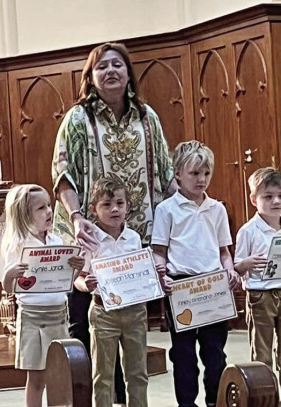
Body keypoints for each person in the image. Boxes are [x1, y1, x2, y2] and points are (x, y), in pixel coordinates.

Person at [52, 42, 174, 402]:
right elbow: (63, 172)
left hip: (137, 239)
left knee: (133, 329)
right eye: (101, 66)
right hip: (91, 236)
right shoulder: (78, 118)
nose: (110, 71)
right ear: (90, 76)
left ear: (128, 73)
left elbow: (165, 173)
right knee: (90, 328)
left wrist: (169, 230)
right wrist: (76, 217)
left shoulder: (147, 117)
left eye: (117, 65)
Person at [151, 141, 239, 407]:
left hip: (213, 286)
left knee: (215, 352)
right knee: (184, 352)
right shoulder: (166, 209)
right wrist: (162, 275)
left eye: (206, 173)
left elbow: (223, 251)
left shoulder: (217, 209)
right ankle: (187, 403)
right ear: (177, 173)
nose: (202, 180)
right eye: (194, 173)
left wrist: (230, 269)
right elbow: (159, 251)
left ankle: (215, 400)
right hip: (181, 287)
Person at [1, 184, 85, 407]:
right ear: (24, 215)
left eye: (49, 205)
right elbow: (9, 288)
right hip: (33, 317)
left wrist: (77, 267)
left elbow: (65, 283)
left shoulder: (56, 242)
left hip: (58, 314)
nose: (49, 211)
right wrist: (9, 274)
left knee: (60, 374)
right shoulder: (17, 246)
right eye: (41, 208)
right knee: (37, 378)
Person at [75, 178, 156, 407]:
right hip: (103, 311)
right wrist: (85, 285)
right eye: (107, 204)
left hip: (134, 311)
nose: (114, 209)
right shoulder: (90, 240)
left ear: (127, 206)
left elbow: (140, 274)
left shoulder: (134, 238)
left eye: (120, 203)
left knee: (138, 373)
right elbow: (79, 278)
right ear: (94, 209)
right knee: (103, 375)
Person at [234, 167, 281, 375]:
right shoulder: (248, 231)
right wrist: (247, 263)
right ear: (254, 200)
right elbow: (236, 266)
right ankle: (266, 399)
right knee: (262, 353)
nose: (276, 202)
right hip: (260, 295)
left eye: (280, 196)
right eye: (268, 197)